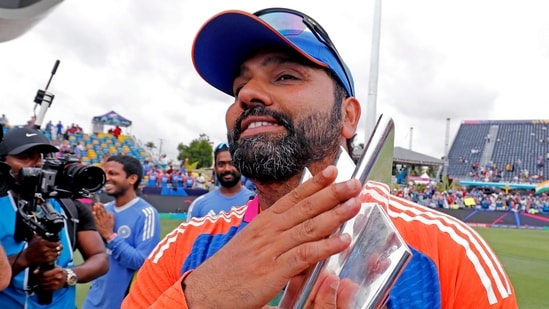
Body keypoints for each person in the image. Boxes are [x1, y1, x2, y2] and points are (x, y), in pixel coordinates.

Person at [123, 8, 517, 308]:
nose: (246, 95)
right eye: (239, 86)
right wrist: (199, 297)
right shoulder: (182, 248)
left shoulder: (449, 252)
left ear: (348, 116)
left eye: (285, 76)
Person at [0, 127, 109, 308]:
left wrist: (68, 275)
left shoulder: (69, 205)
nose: (35, 164)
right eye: (24, 157)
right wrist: (26, 258)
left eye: (41, 157)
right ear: (3, 162)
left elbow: (100, 258)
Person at [83, 155, 160, 309]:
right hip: (93, 301)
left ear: (132, 179)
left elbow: (141, 262)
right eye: (105, 173)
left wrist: (110, 236)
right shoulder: (103, 210)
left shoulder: (147, 214)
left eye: (113, 174)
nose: (107, 178)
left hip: (123, 303)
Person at [186, 142, 254, 221]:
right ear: (215, 167)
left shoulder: (256, 202)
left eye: (232, 163)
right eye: (221, 164)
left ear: (240, 165)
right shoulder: (199, 204)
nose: (227, 169)